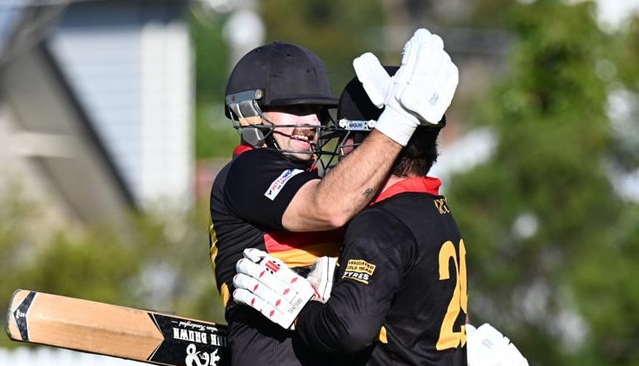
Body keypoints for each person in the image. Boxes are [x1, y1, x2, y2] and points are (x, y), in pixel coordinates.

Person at [233, 72, 529, 366]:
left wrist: (301, 311)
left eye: (347, 138)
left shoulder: (380, 222)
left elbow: (349, 331)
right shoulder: (437, 210)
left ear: (373, 146)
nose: (343, 149)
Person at [210, 28, 459, 366]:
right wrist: (400, 118)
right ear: (248, 112)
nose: (311, 122)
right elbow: (329, 208)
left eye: (317, 110)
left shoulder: (320, 182)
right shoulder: (248, 171)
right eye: (294, 109)